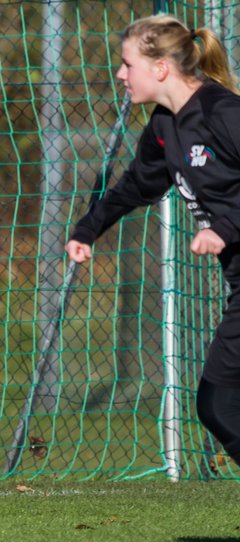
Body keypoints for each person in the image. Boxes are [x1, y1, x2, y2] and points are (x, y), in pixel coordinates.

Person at [66, 15, 240, 463]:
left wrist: (224, 227)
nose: (121, 74)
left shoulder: (223, 112)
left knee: (220, 406)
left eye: (128, 63)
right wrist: (88, 228)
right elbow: (135, 186)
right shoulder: (166, 126)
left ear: (160, 67)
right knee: (218, 407)